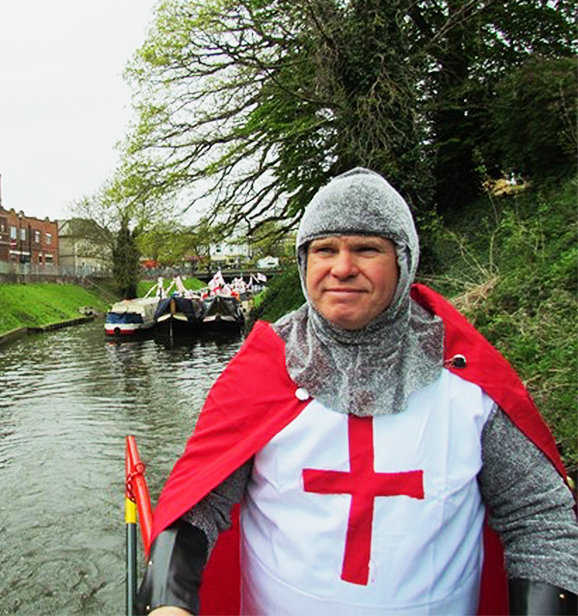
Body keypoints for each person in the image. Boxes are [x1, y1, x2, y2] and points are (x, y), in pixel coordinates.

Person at [137, 168, 577, 615]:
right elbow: (201, 502)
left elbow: (538, 517)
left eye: (367, 249)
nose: (342, 268)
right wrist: (167, 603)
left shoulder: (467, 380)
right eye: (325, 249)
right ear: (304, 262)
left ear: (403, 260)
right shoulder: (263, 371)